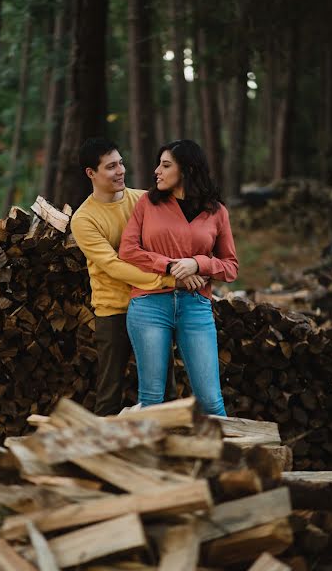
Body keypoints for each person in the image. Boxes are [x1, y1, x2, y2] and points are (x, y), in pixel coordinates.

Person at [70, 137, 204, 416]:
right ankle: (106, 454)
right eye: (110, 167)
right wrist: (169, 279)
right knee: (110, 390)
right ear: (90, 173)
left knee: (166, 390)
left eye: (121, 163)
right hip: (114, 309)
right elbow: (114, 266)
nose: (120, 171)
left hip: (153, 304)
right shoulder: (84, 219)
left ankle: (165, 454)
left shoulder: (144, 200)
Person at [119, 139, 239, 415]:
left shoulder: (217, 212)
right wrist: (171, 265)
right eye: (158, 164)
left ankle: (219, 458)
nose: (156, 171)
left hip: (195, 306)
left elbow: (230, 266)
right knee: (152, 401)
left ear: (187, 169)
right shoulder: (148, 204)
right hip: (149, 304)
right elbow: (128, 249)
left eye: (165, 165)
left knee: (210, 401)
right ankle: (153, 459)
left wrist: (197, 264)